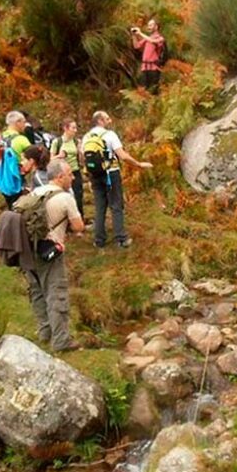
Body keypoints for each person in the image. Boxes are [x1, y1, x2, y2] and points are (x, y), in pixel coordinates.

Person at [25, 159, 84, 352]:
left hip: (28, 250)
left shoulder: (34, 192)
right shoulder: (65, 198)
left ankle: (45, 332)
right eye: (70, 174)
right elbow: (78, 227)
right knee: (56, 294)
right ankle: (61, 341)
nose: (73, 177)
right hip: (50, 252)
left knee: (37, 292)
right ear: (59, 177)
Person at [83, 111, 153, 248]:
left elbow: (83, 158)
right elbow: (123, 156)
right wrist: (138, 164)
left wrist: (88, 175)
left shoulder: (86, 137)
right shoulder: (109, 135)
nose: (110, 121)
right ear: (100, 120)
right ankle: (121, 239)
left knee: (99, 206)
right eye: (107, 119)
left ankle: (99, 240)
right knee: (116, 205)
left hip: (94, 175)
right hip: (111, 173)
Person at [51, 118, 85, 219]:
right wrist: (59, 156)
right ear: (65, 128)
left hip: (75, 171)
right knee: (63, 197)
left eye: (76, 128)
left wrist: (81, 152)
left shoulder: (76, 141)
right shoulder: (57, 142)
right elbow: (50, 159)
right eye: (73, 128)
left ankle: (79, 220)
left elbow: (82, 160)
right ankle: (64, 220)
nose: (75, 130)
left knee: (78, 196)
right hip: (61, 173)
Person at [0, 111, 32, 208]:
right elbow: (34, 156)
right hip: (18, 180)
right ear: (17, 122)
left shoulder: (0, 138)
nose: (25, 125)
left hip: (3, 180)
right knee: (21, 208)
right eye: (23, 122)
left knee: (11, 206)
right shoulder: (21, 139)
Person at [131, 19, 165, 93]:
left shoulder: (160, 38)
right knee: (144, 92)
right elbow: (136, 46)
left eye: (151, 25)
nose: (148, 27)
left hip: (154, 69)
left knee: (153, 92)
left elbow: (153, 41)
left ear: (156, 27)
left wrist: (140, 33)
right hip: (144, 68)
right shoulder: (147, 39)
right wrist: (134, 35)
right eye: (148, 25)